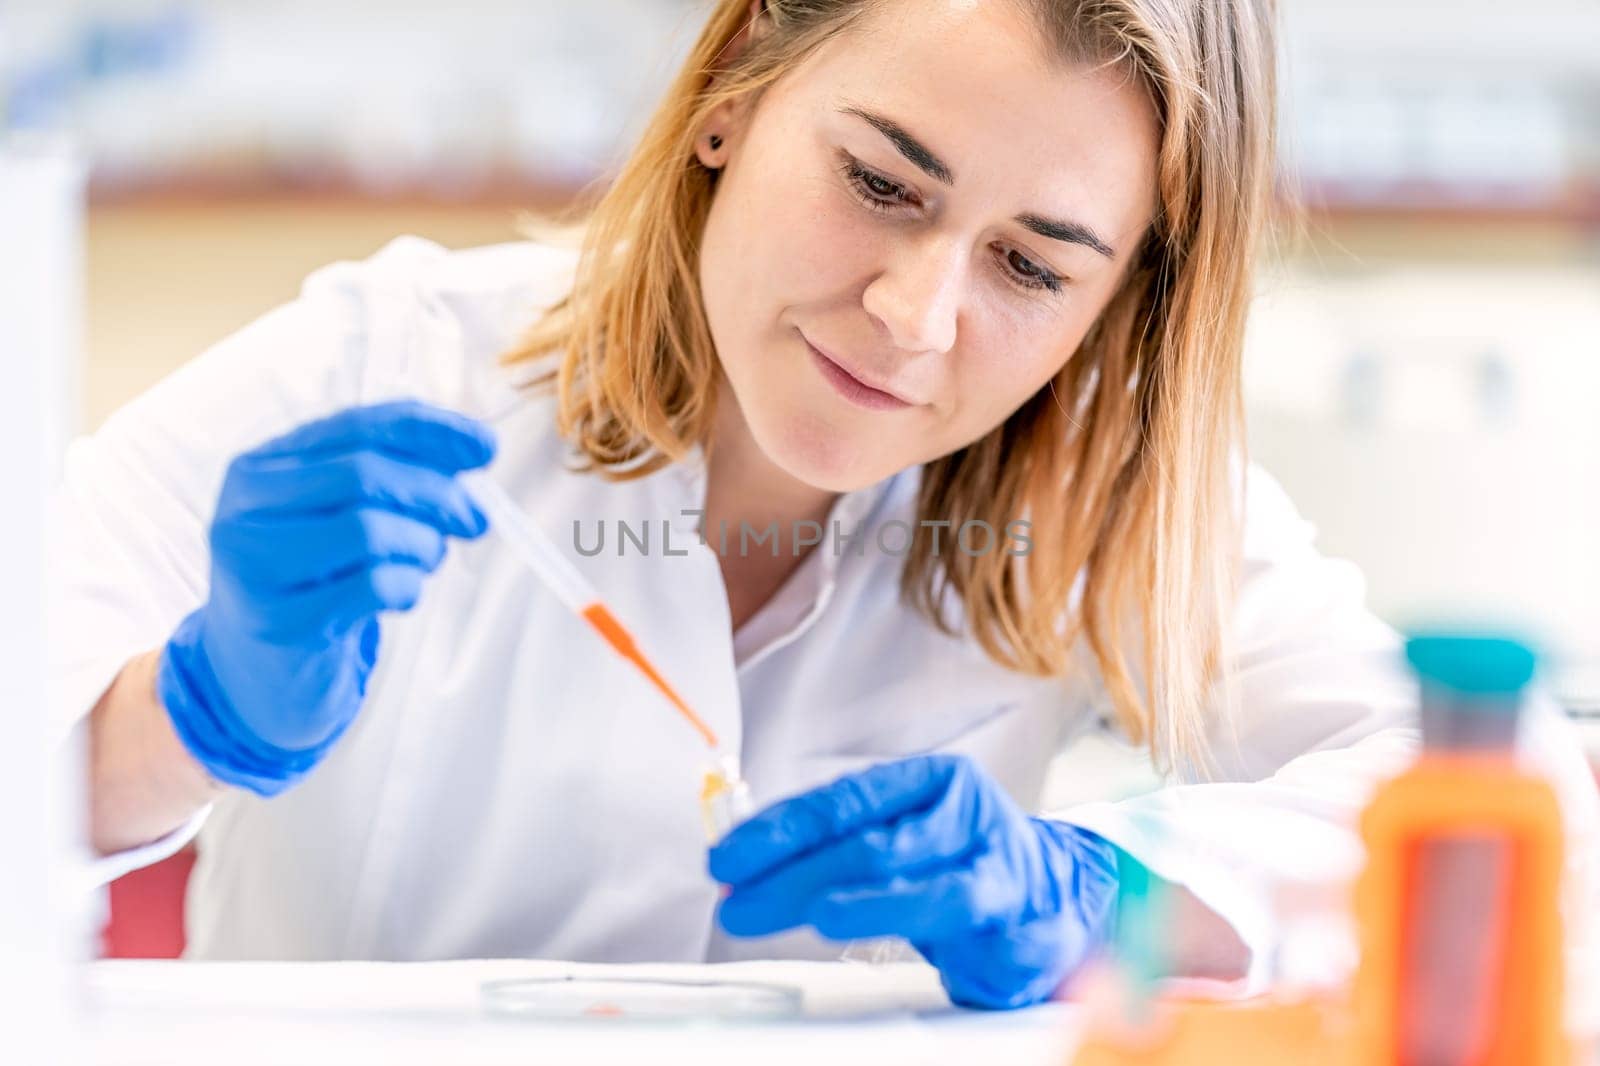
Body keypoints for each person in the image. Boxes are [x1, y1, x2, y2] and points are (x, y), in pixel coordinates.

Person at [58, 0, 1597, 1010]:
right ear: (734, 90)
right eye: (881, 181)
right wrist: (193, 714)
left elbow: (1526, 809)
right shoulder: (382, 361)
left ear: (1115, 301)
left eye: (1033, 266)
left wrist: (1111, 897)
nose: (915, 316)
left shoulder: (1102, 481)